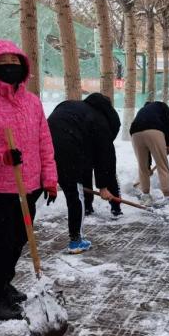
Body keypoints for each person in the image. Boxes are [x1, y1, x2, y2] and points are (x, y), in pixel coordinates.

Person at [0, 39, 58, 321]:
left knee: (18, 241)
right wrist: (0, 156)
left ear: (24, 67)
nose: (10, 69)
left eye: (15, 64)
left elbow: (44, 142)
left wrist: (49, 179)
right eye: (4, 65)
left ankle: (5, 284)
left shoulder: (32, 102)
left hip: (29, 187)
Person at [47, 93, 120, 254]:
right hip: (69, 146)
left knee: (60, 187)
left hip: (45, 144)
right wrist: (103, 187)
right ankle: (76, 241)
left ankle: (20, 232)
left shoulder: (76, 107)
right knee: (75, 194)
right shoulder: (100, 120)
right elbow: (105, 157)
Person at [81, 94, 123, 218]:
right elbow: (116, 124)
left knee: (85, 174)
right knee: (108, 173)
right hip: (104, 144)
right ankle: (116, 207)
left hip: (85, 145)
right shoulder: (108, 110)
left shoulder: (85, 109)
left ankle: (87, 206)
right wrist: (108, 140)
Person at [130, 101, 169, 204]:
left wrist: (148, 166)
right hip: (154, 130)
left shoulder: (142, 111)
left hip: (135, 132)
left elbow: (146, 145)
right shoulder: (161, 106)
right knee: (162, 165)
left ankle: (146, 195)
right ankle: (167, 197)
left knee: (142, 167)